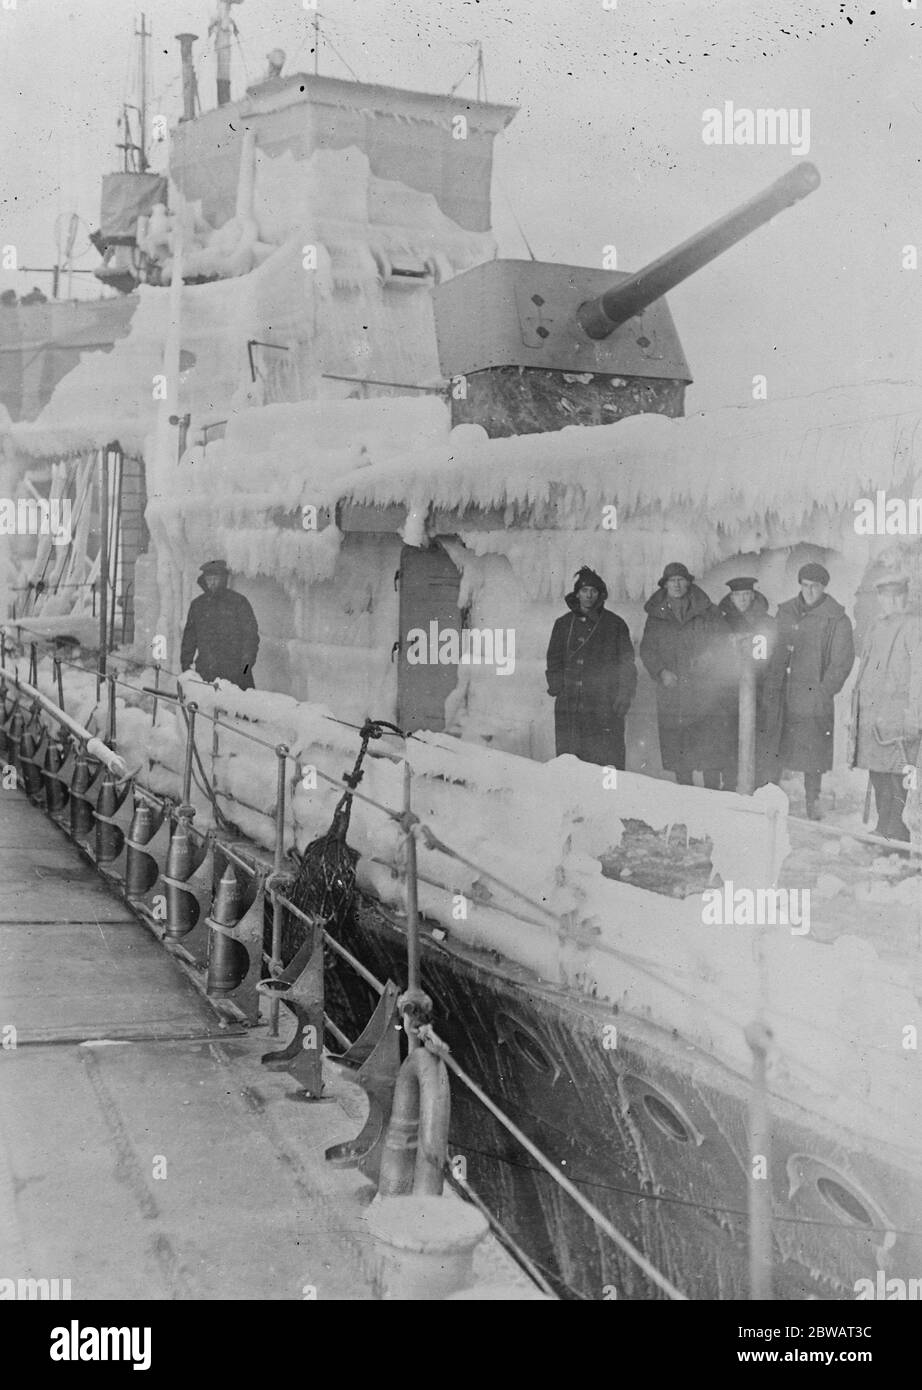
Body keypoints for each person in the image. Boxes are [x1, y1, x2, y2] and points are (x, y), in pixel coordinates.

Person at [761, 562, 854, 819]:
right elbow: (772, 648)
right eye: (805, 585)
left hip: (813, 698)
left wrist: (824, 692)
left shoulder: (837, 619)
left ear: (824, 588)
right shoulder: (786, 612)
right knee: (777, 747)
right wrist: (772, 684)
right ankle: (772, 802)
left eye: (815, 587)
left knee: (812, 754)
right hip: (783, 694)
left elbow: (841, 662)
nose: (809, 591)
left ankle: (812, 803)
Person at [639, 562, 728, 787]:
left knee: (709, 747)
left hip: (705, 690)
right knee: (679, 748)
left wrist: (710, 657)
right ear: (665, 584)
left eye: (681, 580)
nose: (677, 585)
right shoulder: (656, 614)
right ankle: (685, 796)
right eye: (672, 581)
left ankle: (712, 796)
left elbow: (723, 640)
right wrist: (661, 672)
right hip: (673, 691)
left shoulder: (708, 610)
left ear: (688, 582)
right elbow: (648, 649)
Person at [848, 572, 922, 841]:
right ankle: (883, 827)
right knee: (877, 773)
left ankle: (897, 833)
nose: (891, 602)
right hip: (872, 716)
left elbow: (919, 674)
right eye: (886, 596)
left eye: (897, 596)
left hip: (899, 717)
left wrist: (915, 715)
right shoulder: (876, 626)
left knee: (899, 775)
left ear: (904, 596)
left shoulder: (915, 626)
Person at [545, 565, 636, 768]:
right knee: (570, 759)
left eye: (593, 591)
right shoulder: (563, 624)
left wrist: (624, 694)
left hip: (603, 703)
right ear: (577, 593)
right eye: (584, 590)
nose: (589, 595)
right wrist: (557, 685)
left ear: (600, 595)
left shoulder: (615, 624)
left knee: (604, 760)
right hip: (570, 704)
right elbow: (554, 659)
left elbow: (627, 663)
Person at [716, 577, 775, 790]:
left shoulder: (765, 622)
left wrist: (748, 645)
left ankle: (755, 785)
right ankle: (731, 785)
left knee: (757, 739)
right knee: (729, 739)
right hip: (728, 692)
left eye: (746, 595)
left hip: (757, 690)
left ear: (753, 596)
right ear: (731, 598)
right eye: (738, 595)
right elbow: (718, 655)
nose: (742, 599)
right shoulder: (721, 622)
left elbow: (764, 656)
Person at [180, 559, 259, 690]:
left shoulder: (238, 602)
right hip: (207, 671)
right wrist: (186, 666)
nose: (212, 582)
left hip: (236, 673)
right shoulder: (198, 605)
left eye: (216, 578)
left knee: (238, 708)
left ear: (223, 579)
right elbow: (189, 639)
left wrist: (246, 667)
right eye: (208, 578)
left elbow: (250, 636)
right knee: (206, 709)